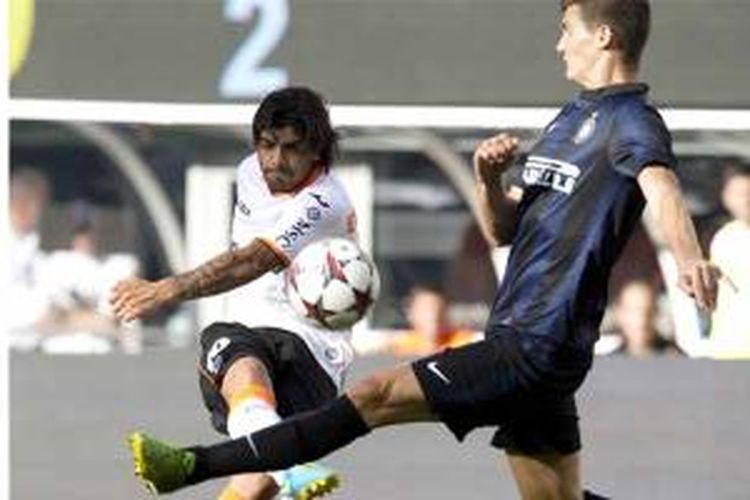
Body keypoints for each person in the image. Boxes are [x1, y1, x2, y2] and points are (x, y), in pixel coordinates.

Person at [127, 2, 723, 499]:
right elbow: (503, 232)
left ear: (604, 34)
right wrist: (487, 179)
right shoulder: (569, 121)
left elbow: (660, 184)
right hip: (531, 339)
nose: (559, 44)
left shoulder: (632, 121)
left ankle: (194, 465)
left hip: (535, 344)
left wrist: (690, 255)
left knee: (373, 395)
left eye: (567, 29)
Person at [112, 87, 359, 500]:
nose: (275, 161)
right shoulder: (250, 173)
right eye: (267, 145)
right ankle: (291, 470)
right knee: (251, 472)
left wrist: (167, 289)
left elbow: (252, 260)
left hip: (312, 352)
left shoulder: (323, 202)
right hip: (251, 333)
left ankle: (288, 469)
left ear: (317, 150)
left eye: (291, 149)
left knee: (257, 454)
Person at [708, 165, 750, 358]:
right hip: (727, 348)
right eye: (739, 194)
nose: (745, 200)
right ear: (726, 197)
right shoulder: (723, 238)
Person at [389, 285, 479, 357]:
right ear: (412, 315)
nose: (433, 317)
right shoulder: (401, 349)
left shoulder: (465, 344)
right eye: (425, 310)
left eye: (439, 310)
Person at [608, 280, 681, 358]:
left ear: (656, 313)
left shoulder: (675, 356)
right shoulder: (607, 363)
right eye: (633, 312)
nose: (641, 320)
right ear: (620, 315)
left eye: (648, 311)